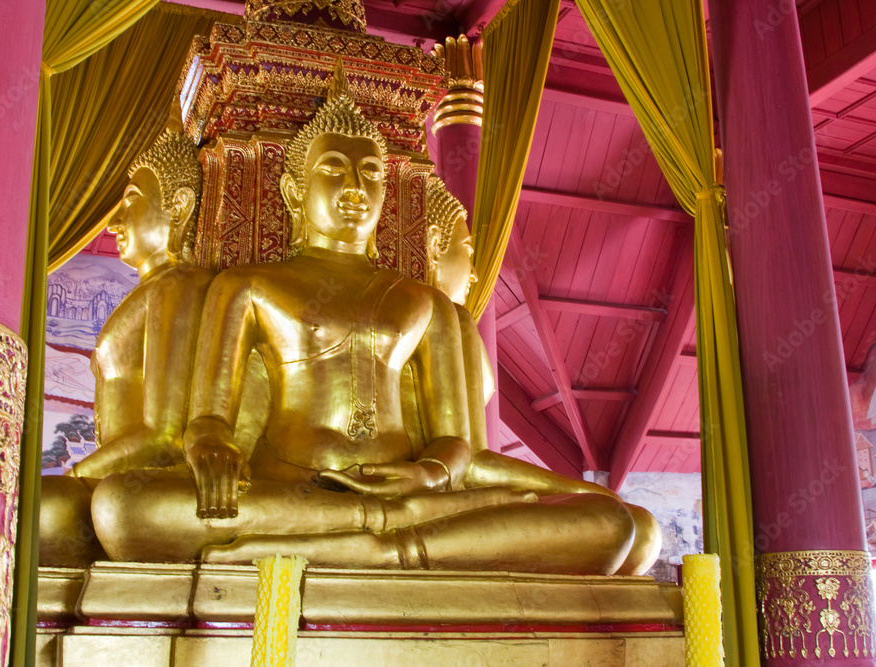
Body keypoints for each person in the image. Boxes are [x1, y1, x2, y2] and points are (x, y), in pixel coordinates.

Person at [90, 85, 643, 575]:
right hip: (295, 492)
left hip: (416, 495)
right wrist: (209, 445)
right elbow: (209, 418)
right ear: (291, 192)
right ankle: (388, 540)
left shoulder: (427, 304)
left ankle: (365, 549)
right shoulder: (248, 285)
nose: (356, 186)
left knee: (611, 522)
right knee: (125, 509)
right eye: (333, 169)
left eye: (372, 174)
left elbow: (458, 443)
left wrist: (426, 476)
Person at [424, 175, 661, 575]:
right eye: (466, 251)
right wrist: (591, 493)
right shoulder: (445, 318)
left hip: (445, 496)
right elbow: (469, 463)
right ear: (432, 244)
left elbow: (470, 461)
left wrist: (588, 493)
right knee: (618, 523)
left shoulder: (444, 321)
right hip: (434, 498)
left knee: (635, 529)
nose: (475, 275)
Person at [39, 125, 213, 567]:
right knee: (38, 510)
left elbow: (165, 435)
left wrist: (78, 474)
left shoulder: (178, 286)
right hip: (116, 482)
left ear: (179, 206)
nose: (116, 222)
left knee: (45, 509)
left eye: (131, 201)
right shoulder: (150, 291)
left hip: (141, 481)